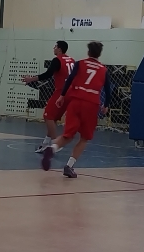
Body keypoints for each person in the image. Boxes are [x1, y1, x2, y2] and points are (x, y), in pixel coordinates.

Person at [41, 41, 111, 178]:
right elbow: (108, 91)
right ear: (99, 54)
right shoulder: (103, 70)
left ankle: (52, 148)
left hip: (75, 101)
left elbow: (69, 79)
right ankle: (69, 166)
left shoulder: (80, 64)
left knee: (68, 135)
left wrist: (62, 96)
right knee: (84, 138)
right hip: (91, 104)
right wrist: (106, 105)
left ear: (88, 52)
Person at [22, 40, 74, 153]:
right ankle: (45, 143)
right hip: (71, 93)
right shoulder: (71, 60)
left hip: (61, 92)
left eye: (55, 46)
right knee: (53, 118)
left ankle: (55, 144)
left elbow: (48, 74)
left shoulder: (57, 60)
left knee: (47, 116)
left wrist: (31, 79)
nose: (53, 48)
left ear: (59, 49)